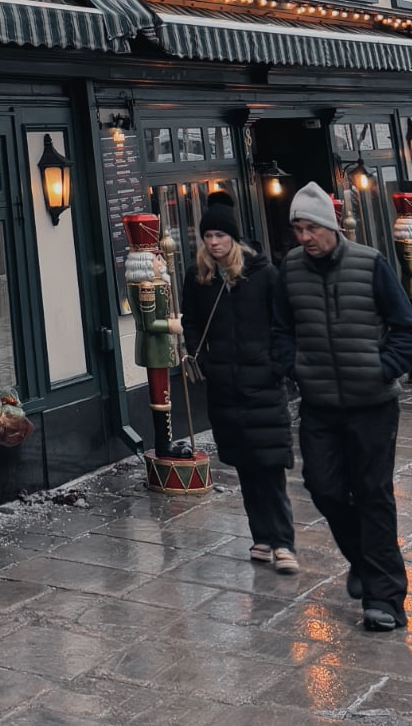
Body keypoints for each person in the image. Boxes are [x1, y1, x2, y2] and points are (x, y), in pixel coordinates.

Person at [271, 181, 412, 632]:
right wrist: (294, 366)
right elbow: (281, 329)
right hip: (320, 405)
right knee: (323, 487)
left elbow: (406, 328)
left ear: (330, 226)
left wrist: (383, 368)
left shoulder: (370, 264)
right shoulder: (290, 269)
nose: (304, 238)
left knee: (373, 494)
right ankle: (362, 559)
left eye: (311, 229)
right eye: (298, 230)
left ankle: (385, 600)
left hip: (373, 404)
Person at [180, 197, 296, 572]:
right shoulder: (199, 277)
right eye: (208, 236)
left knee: (270, 466)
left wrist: (276, 364)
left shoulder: (263, 274)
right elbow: (191, 320)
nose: (214, 242)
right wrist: (204, 359)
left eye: (220, 235)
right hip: (225, 387)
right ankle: (261, 537)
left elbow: (283, 321)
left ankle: (283, 542)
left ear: (233, 237)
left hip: (262, 383)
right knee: (246, 466)